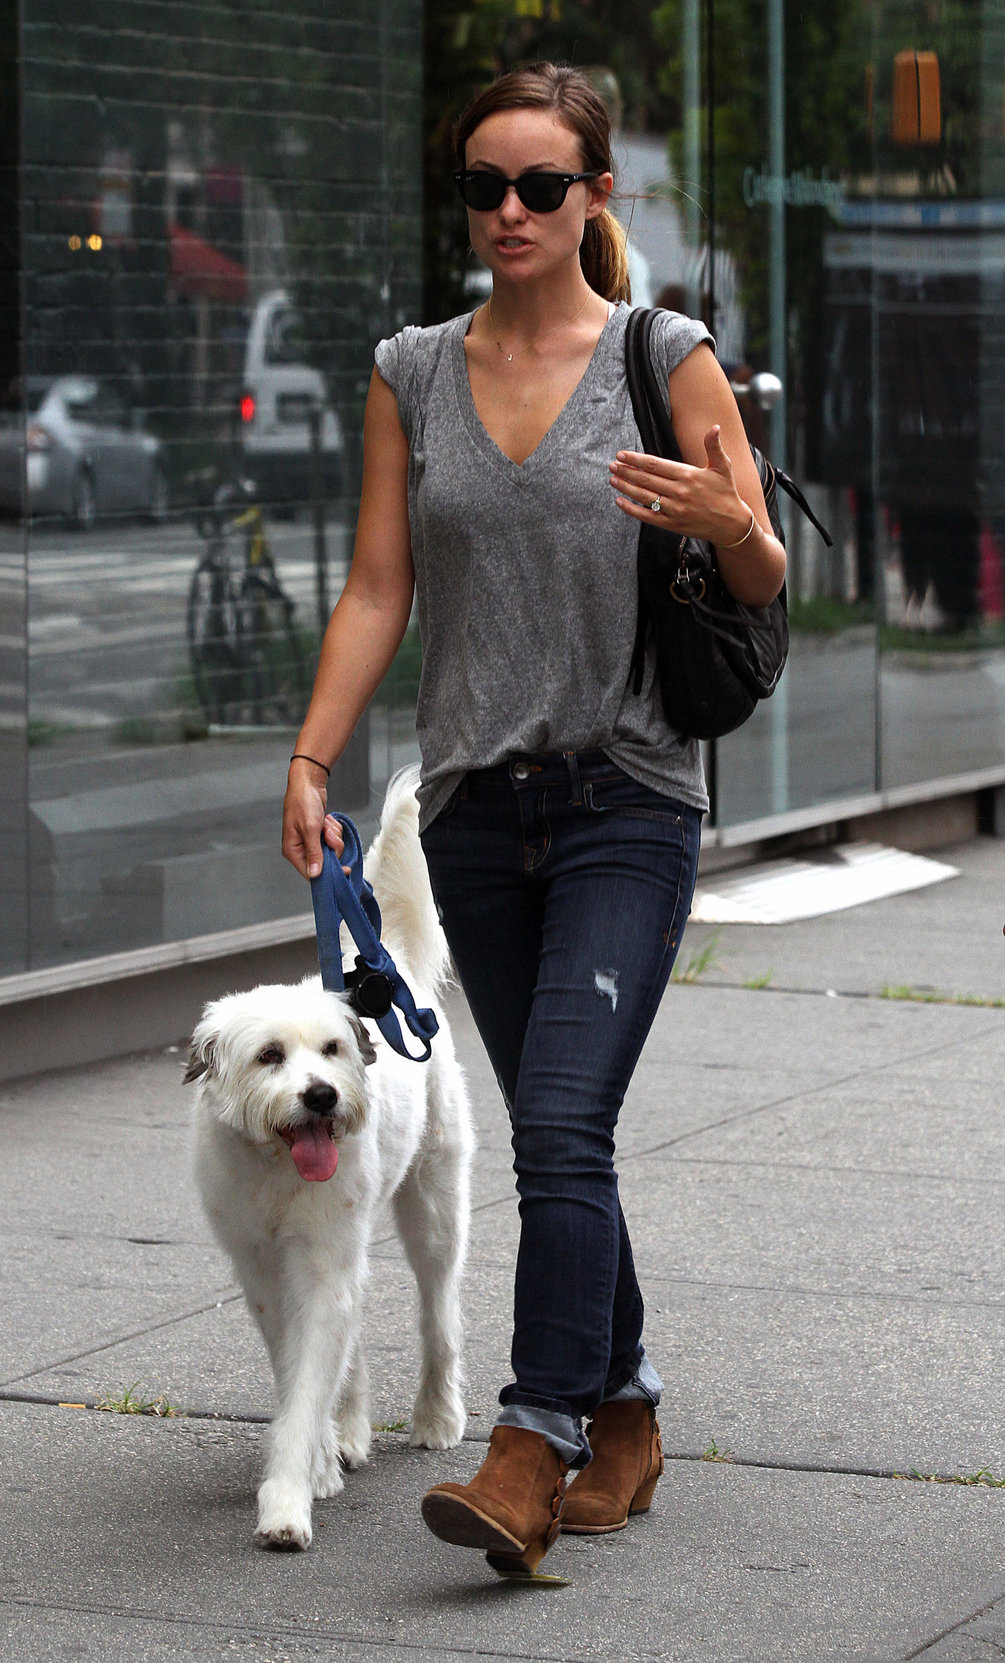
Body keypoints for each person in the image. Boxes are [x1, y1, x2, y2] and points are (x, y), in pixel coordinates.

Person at [281, 61, 785, 1577]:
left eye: (538, 187)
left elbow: (760, 578)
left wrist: (729, 528)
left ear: (593, 197)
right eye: (484, 187)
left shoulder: (663, 353)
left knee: (561, 1124)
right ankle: (621, 1405)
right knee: (562, 1136)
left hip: (626, 793)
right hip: (473, 814)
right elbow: (381, 586)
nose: (508, 212)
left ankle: (533, 1438)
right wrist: (312, 763)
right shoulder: (410, 371)